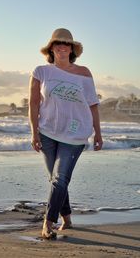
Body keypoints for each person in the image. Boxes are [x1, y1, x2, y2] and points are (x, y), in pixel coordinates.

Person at [29, 28, 103, 239]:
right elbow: (34, 104)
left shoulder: (84, 73)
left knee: (60, 179)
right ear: (51, 48)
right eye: (57, 43)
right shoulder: (41, 71)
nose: (62, 46)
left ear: (72, 49)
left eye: (66, 44)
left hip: (75, 134)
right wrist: (35, 133)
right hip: (47, 133)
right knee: (56, 179)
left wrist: (98, 134)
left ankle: (48, 222)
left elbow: (93, 104)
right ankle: (67, 218)